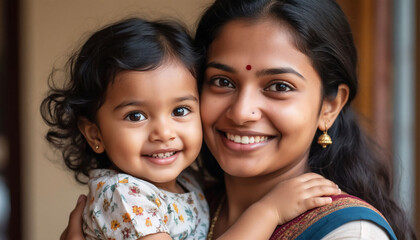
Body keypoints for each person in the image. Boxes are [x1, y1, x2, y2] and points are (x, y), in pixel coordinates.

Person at [60, 0, 417, 239]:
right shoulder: (185, 201)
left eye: (278, 86)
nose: (242, 111)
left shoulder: (345, 232)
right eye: (222, 82)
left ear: (330, 106)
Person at [41, 17, 341, 240]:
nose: (163, 132)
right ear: (94, 133)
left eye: (180, 111)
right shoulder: (123, 196)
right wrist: (269, 212)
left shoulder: (189, 183)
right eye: (135, 116)